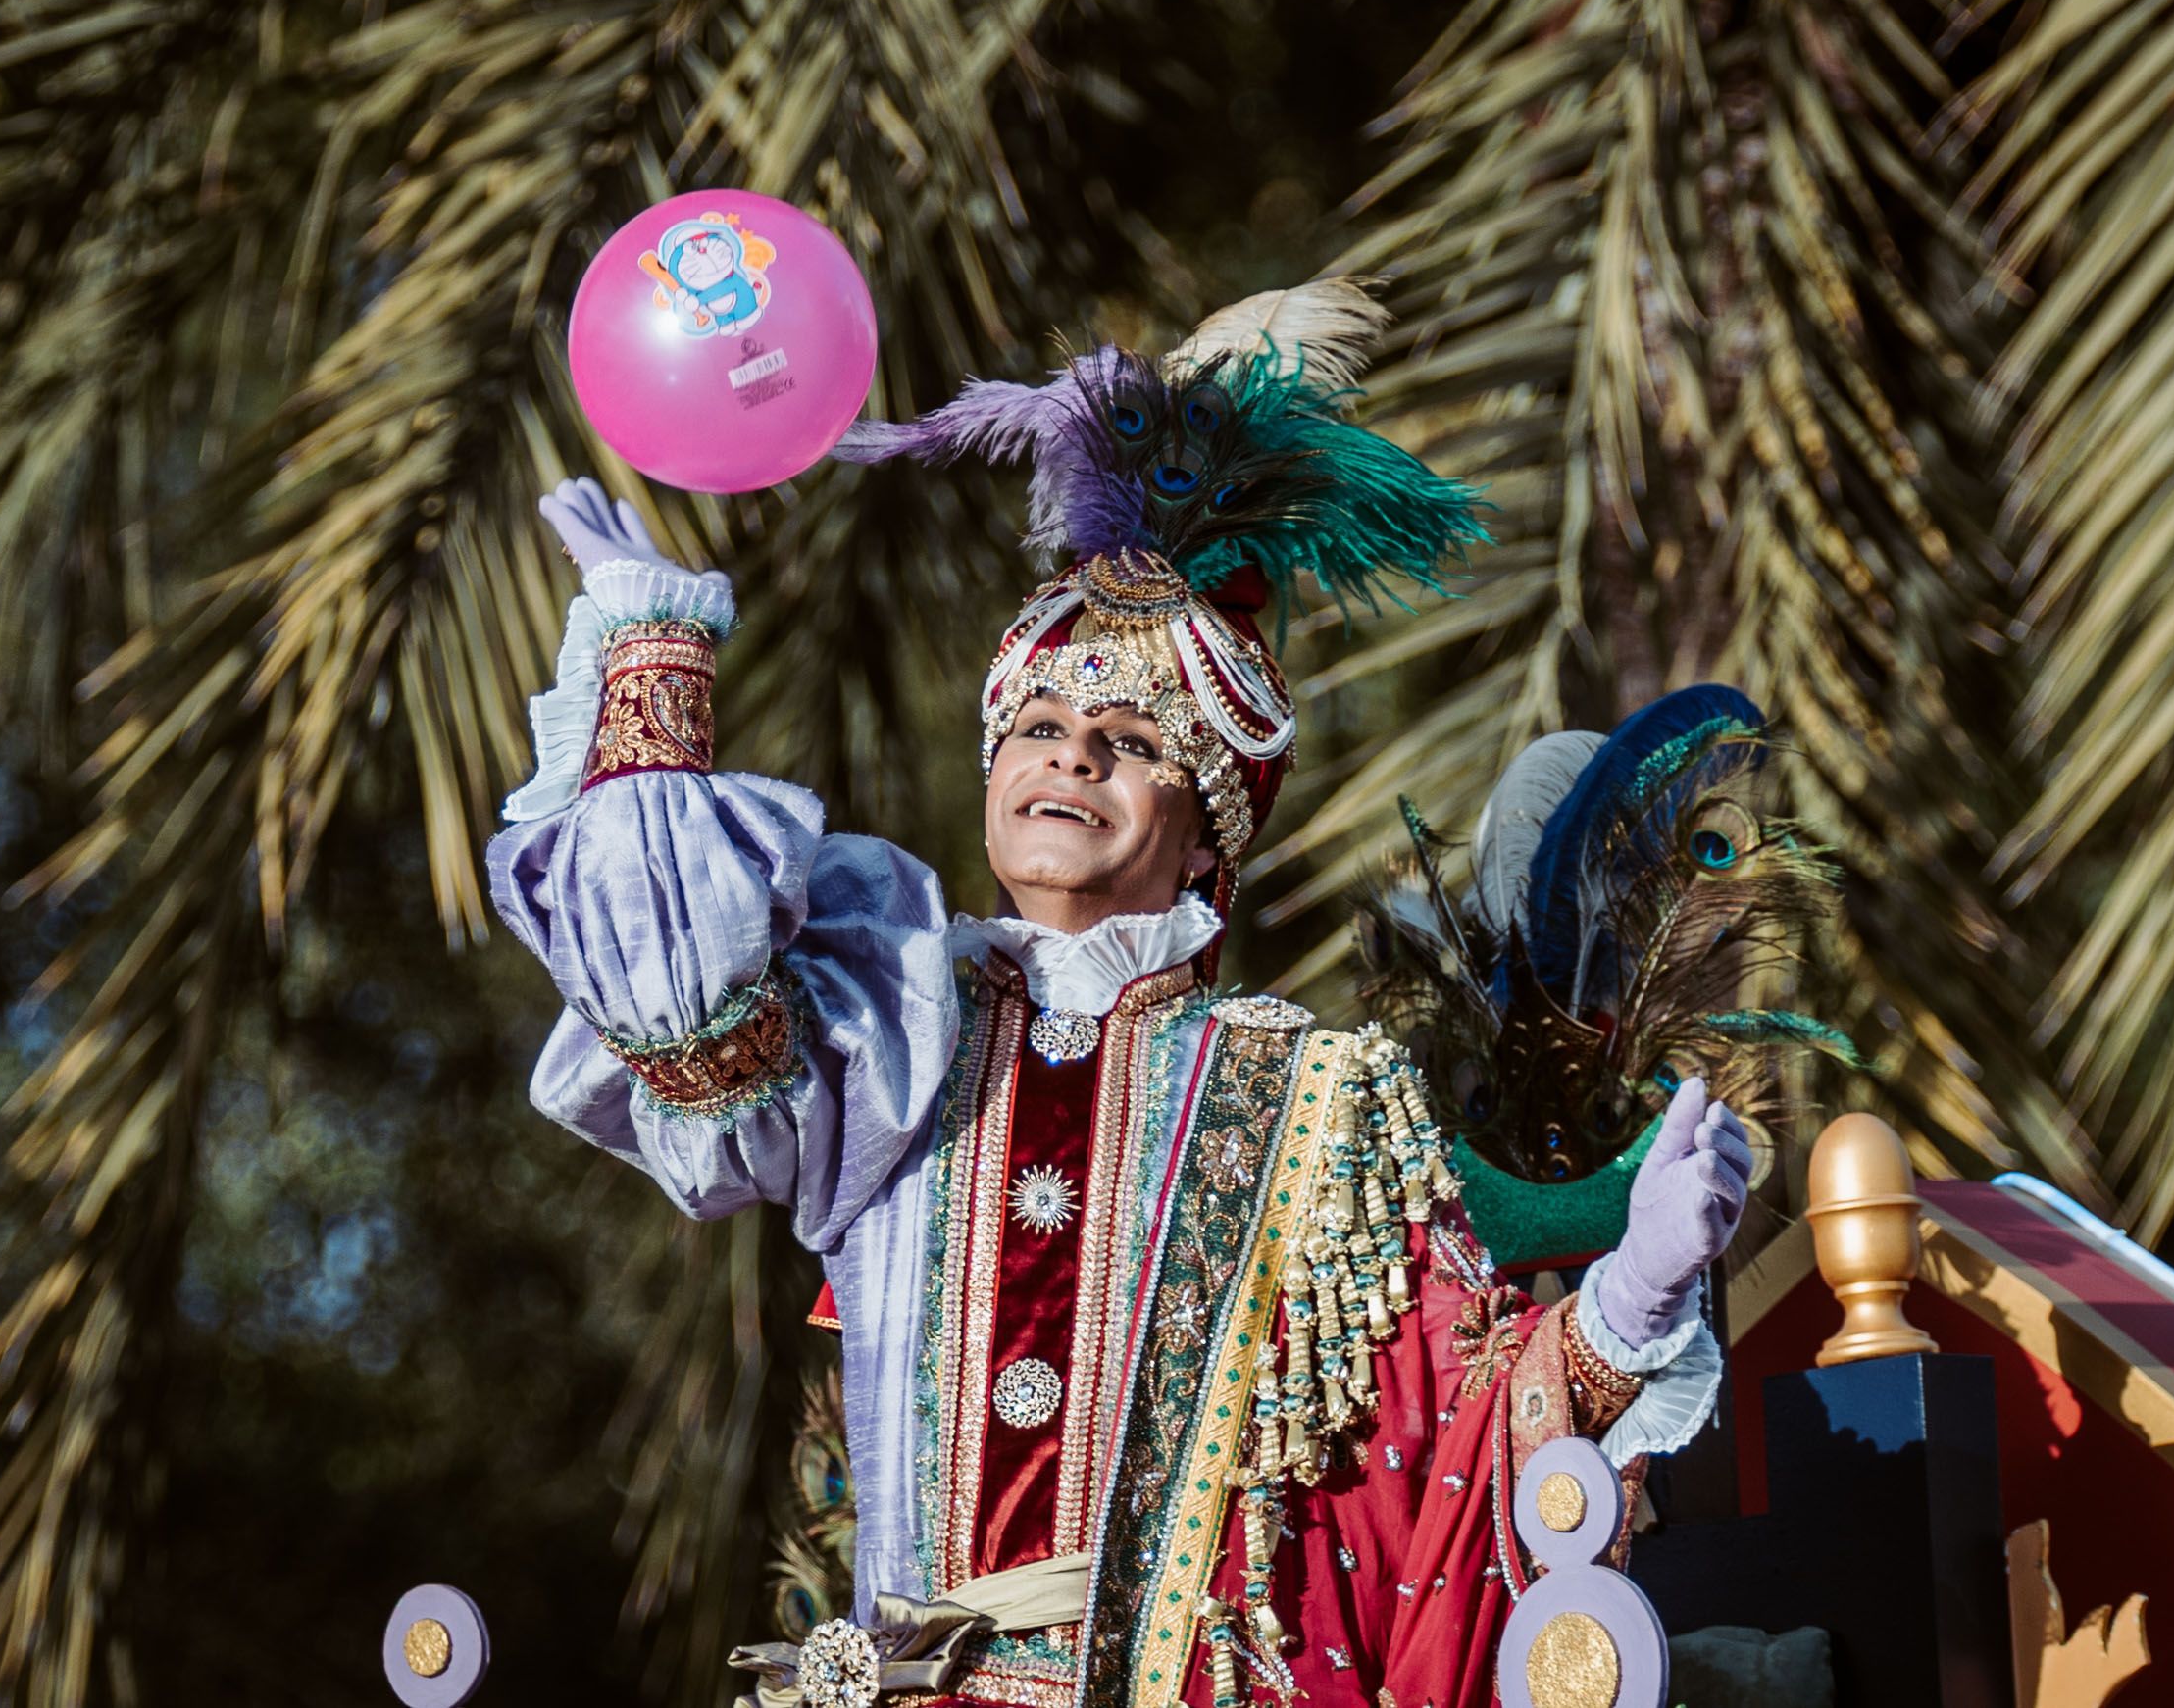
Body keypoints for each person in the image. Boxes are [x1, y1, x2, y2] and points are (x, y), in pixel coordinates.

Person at [485, 282, 1749, 1708]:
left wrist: (1631, 1299)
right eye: (1037, 724)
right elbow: (688, 1034)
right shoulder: (889, 1029)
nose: (1070, 756)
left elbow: (1443, 1435)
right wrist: (650, 684)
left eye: (1131, 739)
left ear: (1207, 825)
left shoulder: (1313, 1102)